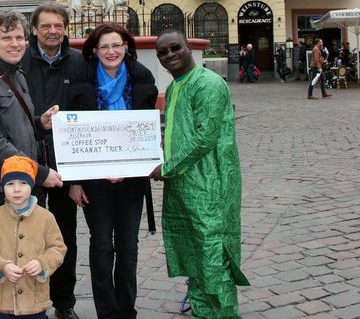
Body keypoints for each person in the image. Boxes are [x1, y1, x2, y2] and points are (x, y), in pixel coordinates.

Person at [0, 10, 64, 319]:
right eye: (6, 37)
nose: (15, 43)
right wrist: (41, 172)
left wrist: (38, 122)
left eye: (19, 36)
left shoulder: (16, 73)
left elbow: (13, 126)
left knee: (26, 258)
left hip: (22, 185)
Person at [150, 30, 249, 319]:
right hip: (184, 183)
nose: (169, 55)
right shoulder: (175, 86)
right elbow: (179, 131)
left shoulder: (208, 83)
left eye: (175, 48)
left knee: (212, 249)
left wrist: (166, 167)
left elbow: (205, 138)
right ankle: (202, 307)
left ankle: (223, 313)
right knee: (193, 249)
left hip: (211, 183)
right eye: (162, 52)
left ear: (189, 47)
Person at [67, 22, 158, 319]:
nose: (111, 51)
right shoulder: (81, 80)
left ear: (126, 47)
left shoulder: (141, 78)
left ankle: (126, 309)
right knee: (103, 245)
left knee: (128, 247)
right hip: (95, 181)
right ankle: (107, 311)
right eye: (104, 46)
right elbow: (73, 138)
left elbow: (150, 129)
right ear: (94, 50)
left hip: (132, 181)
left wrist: (148, 163)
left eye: (116, 45)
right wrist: (76, 181)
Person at [20, 2, 84, 319]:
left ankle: (64, 301)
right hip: (26, 160)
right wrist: (36, 121)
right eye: (46, 26)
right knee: (25, 232)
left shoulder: (77, 61)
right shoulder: (19, 61)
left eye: (58, 25)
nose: (52, 31)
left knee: (62, 235)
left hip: (64, 162)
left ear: (65, 28)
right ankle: (29, 299)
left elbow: (87, 109)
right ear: (34, 29)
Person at [0, 156, 67, 319]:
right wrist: (1, 266)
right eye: (10, 184)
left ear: (31, 185)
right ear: (3, 186)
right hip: (2, 300)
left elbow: (58, 248)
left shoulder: (46, 218)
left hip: (34, 299)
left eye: (23, 183)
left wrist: (42, 263)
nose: (17, 189)